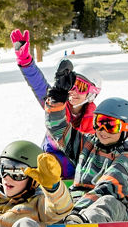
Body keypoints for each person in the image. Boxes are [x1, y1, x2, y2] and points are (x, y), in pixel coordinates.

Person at [10, 28, 100, 178]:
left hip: (77, 175)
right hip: (47, 169)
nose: (74, 91)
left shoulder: (97, 121)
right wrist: (25, 60)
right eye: (72, 84)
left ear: (92, 93)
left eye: (82, 87)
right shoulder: (57, 103)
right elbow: (38, 84)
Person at [45, 93, 128, 224]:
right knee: (43, 200)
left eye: (111, 126)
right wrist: (55, 101)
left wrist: (73, 211)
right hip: (74, 207)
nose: (103, 131)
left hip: (112, 210)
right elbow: (58, 129)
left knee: (106, 202)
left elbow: (107, 187)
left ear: (127, 128)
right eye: (99, 122)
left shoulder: (127, 155)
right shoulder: (87, 143)